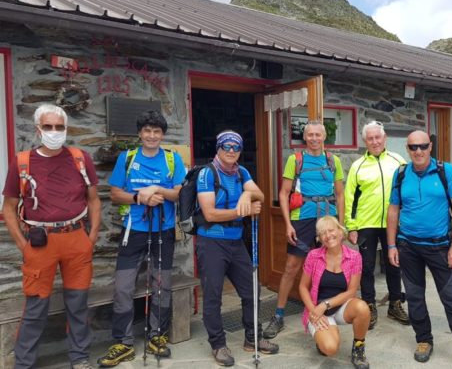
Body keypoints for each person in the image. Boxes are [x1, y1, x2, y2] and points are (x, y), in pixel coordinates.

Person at [2, 104, 101, 369]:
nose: (54, 132)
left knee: (78, 304)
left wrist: (91, 237)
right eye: (48, 127)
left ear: (66, 129)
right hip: (39, 242)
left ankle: (80, 359)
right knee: (35, 307)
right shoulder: (22, 161)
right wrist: (23, 246)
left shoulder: (80, 158)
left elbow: (94, 201)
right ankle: (24, 364)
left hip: (76, 238)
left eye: (59, 127)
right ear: (38, 130)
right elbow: (8, 208)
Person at [387, 131, 452, 369]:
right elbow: (393, 211)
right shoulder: (400, 174)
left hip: (440, 246)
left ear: (430, 146)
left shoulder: (445, 171)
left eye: (422, 146)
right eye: (413, 147)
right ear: (407, 149)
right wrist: (391, 245)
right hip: (408, 246)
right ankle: (424, 340)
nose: (418, 151)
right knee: (415, 298)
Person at [98, 110, 186, 367]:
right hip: (133, 229)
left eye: (156, 131)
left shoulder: (172, 160)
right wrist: (139, 197)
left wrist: (157, 190)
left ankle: (157, 335)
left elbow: (179, 194)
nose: (151, 136)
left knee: (162, 283)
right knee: (123, 287)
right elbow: (115, 194)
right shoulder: (127, 158)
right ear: (140, 133)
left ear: (162, 135)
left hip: (164, 228)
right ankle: (123, 343)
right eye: (147, 131)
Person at [195, 130, 279, 366]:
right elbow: (209, 213)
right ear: (218, 148)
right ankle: (218, 344)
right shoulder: (207, 173)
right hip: (211, 241)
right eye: (226, 146)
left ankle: (253, 339)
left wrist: (246, 194)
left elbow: (260, 195)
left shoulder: (242, 172)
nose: (231, 151)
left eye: (236, 147)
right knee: (213, 296)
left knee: (251, 291)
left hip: (235, 242)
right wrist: (243, 209)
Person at [263, 121, 345, 339]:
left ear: (324, 136)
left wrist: (341, 225)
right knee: (291, 266)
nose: (314, 138)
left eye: (318, 134)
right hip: (303, 218)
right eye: (310, 135)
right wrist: (288, 224)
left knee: (330, 265)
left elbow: (340, 194)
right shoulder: (295, 160)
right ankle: (279, 315)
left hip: (328, 219)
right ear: (305, 137)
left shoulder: (333, 160)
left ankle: (328, 309)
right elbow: (283, 193)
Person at [344, 120, 408, 329]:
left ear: (384, 138)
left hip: (393, 223)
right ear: (365, 141)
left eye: (377, 137)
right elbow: (350, 197)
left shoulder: (398, 161)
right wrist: (351, 226)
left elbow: (406, 191)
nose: (374, 141)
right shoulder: (357, 166)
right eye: (370, 138)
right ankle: (369, 305)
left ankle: (395, 303)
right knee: (367, 267)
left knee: (394, 264)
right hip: (366, 223)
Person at [298, 215, 370, 369]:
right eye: (323, 233)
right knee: (330, 348)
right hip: (317, 310)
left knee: (363, 308)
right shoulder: (313, 256)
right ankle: (328, 333)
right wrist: (314, 310)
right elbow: (303, 287)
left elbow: (352, 291)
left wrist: (325, 304)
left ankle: (358, 347)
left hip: (341, 307)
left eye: (331, 230)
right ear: (319, 238)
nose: (328, 235)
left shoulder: (354, 256)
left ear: (340, 231)